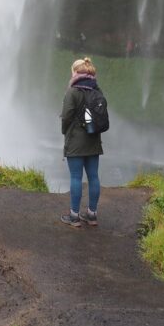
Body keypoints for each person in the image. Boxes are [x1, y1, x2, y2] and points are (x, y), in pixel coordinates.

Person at [59, 57, 103, 228]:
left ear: (76, 72)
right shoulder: (97, 89)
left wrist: (65, 131)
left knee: (76, 177)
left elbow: (66, 116)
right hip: (94, 140)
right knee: (94, 176)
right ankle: (92, 215)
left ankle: (74, 216)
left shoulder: (73, 91)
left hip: (76, 141)